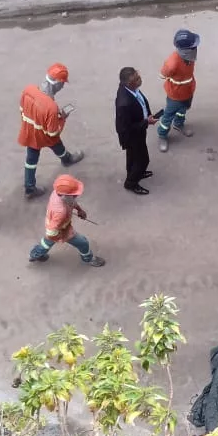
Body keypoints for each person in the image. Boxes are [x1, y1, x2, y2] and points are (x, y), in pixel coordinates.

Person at [19, 63, 84, 200]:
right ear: (58, 83)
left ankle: (29, 186)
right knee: (55, 142)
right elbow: (53, 133)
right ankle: (66, 159)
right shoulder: (51, 107)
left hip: (30, 129)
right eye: (63, 83)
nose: (63, 86)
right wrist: (61, 119)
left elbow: (22, 109)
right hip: (42, 132)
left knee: (31, 159)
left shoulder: (29, 89)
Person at [28, 174, 105, 267]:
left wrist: (79, 209)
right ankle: (88, 258)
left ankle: (35, 254)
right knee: (83, 242)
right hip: (60, 229)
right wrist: (61, 237)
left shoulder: (57, 192)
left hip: (53, 221)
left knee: (46, 243)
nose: (77, 194)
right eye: (75, 193)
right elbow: (51, 231)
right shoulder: (61, 211)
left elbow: (71, 201)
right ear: (66, 195)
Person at [115, 67, 158, 195]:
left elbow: (142, 103)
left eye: (138, 76)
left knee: (132, 156)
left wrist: (147, 117)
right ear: (129, 83)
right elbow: (125, 127)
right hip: (132, 136)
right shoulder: (124, 103)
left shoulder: (131, 90)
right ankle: (131, 183)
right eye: (137, 79)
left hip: (139, 129)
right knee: (143, 160)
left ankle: (133, 172)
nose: (140, 79)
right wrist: (146, 122)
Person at [157, 29, 200, 153]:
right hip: (175, 95)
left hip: (188, 90)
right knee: (167, 116)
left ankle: (179, 124)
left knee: (182, 110)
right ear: (185, 50)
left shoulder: (189, 57)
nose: (196, 48)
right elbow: (163, 75)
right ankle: (162, 135)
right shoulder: (172, 63)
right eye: (193, 46)